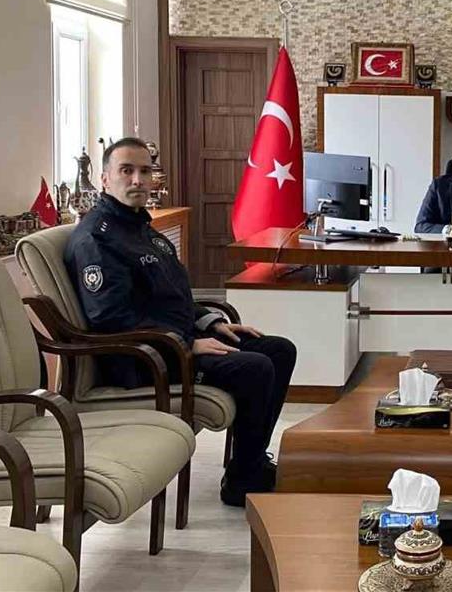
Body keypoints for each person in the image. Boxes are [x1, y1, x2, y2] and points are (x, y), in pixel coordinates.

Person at [64, 137, 297, 506]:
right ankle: (243, 480)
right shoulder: (97, 239)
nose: (138, 180)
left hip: (176, 341)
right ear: (105, 179)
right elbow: (110, 318)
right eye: (127, 171)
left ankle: (250, 464)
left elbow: (171, 295)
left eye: (145, 171)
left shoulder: (141, 229)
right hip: (144, 358)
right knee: (254, 368)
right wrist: (186, 343)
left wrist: (209, 322)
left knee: (280, 350)